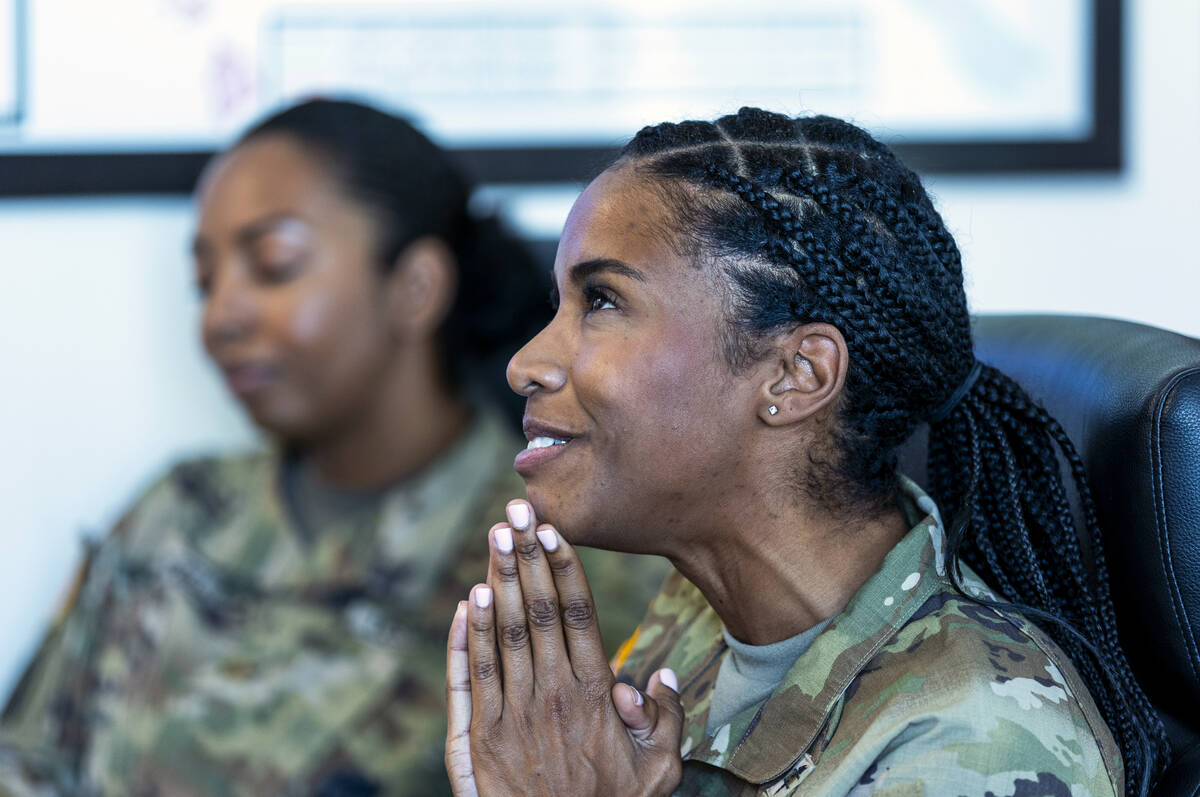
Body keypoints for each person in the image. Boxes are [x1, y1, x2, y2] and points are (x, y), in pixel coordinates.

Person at [443, 109, 1171, 796]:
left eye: (601, 301)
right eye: (559, 307)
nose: (526, 364)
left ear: (798, 375)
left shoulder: (977, 737)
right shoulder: (698, 617)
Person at [0, 99, 666, 796]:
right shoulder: (177, 510)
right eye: (205, 281)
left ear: (415, 287)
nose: (220, 316)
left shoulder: (554, 561)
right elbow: (27, 760)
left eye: (274, 265)